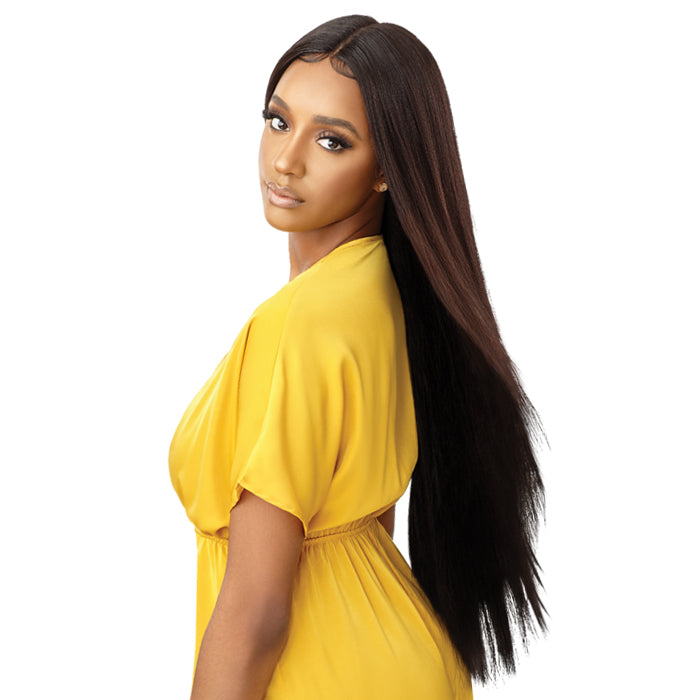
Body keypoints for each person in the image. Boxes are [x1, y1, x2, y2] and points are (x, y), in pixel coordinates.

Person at [169, 14, 546, 699]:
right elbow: (372, 518)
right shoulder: (383, 291)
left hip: (329, 675)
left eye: (331, 140)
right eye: (278, 121)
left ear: (385, 170)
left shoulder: (300, 323)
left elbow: (255, 614)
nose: (285, 161)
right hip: (400, 661)